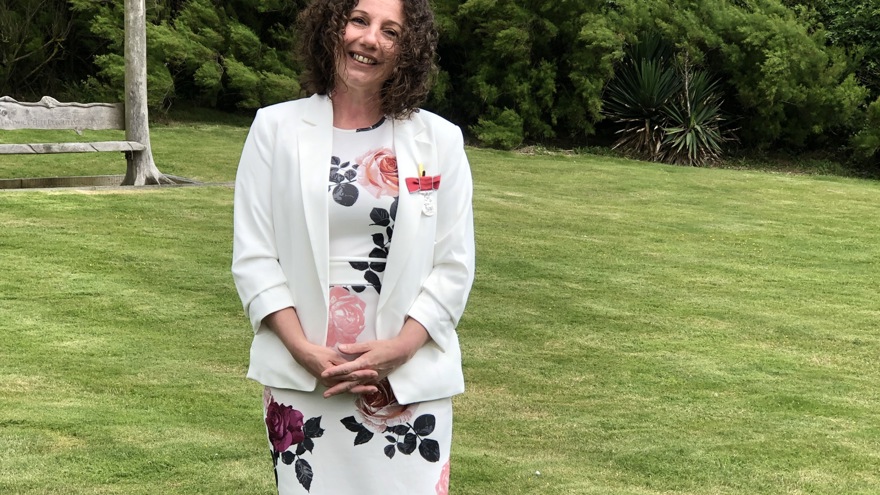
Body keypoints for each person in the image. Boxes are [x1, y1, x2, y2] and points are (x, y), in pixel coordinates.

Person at [231, 0, 475, 492]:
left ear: (409, 49)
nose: (370, 39)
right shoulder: (274, 129)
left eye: (391, 31)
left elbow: (453, 265)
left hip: (409, 383)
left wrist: (398, 351)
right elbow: (255, 257)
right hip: (306, 383)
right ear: (331, 27)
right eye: (359, 20)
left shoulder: (439, 141)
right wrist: (304, 351)